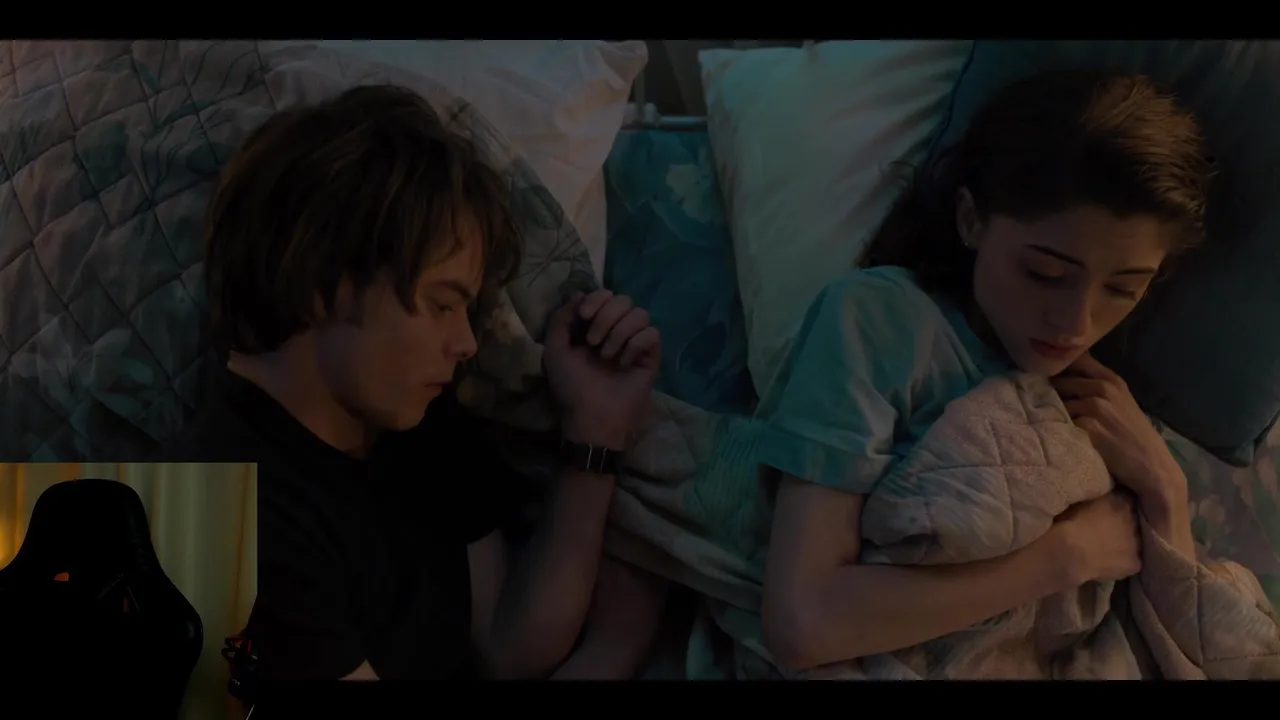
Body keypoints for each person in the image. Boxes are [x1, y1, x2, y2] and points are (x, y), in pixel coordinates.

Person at [159, 85, 663, 683]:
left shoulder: (411, 420)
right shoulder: (225, 521)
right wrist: (614, 652)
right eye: (442, 304)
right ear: (325, 284)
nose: (467, 342)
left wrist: (595, 430)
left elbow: (506, 645)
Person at [756, 70, 1219, 672]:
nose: (1076, 323)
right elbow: (802, 622)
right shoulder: (881, 321)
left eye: (1123, 289)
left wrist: (1165, 486)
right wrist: (1063, 558)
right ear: (971, 219)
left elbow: (1182, 647)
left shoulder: (1109, 398)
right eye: (1044, 274)